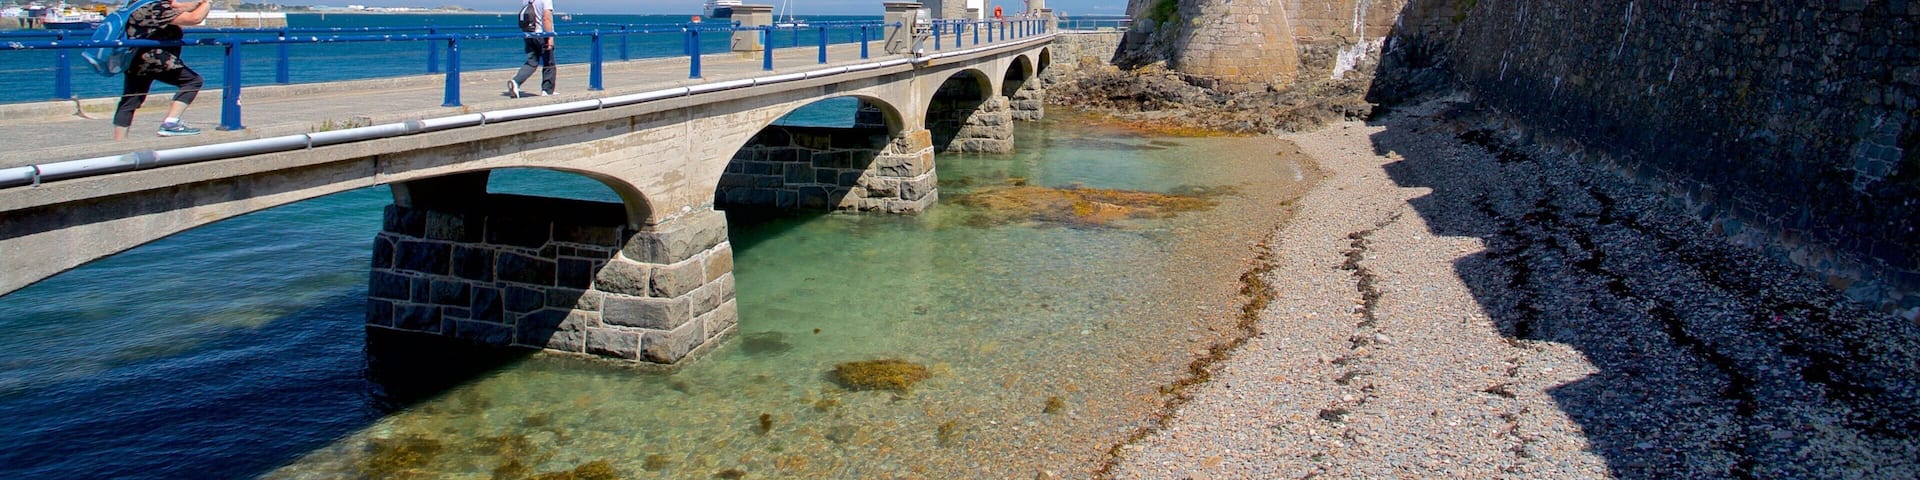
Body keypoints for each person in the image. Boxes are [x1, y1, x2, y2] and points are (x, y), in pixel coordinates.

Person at [114, 0, 210, 139]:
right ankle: (170, 124)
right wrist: (208, 3)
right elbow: (194, 18)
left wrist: (199, 2)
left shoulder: (136, 5)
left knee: (131, 99)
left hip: (134, 58)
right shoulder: (155, 8)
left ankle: (119, 141)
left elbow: (179, 6)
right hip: (156, 59)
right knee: (193, 81)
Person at [506, 0, 556, 98]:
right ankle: (547, 90)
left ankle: (516, 81)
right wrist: (550, 37)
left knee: (532, 62)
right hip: (542, 34)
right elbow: (546, 18)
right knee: (549, 63)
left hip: (529, 34)